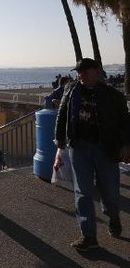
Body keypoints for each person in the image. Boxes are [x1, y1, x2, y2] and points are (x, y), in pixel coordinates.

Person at [54, 58, 130, 251]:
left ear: (97, 71)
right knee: (82, 191)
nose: (81, 75)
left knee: (109, 191)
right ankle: (89, 236)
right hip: (78, 147)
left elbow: (125, 122)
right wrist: (59, 139)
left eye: (85, 72)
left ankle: (113, 217)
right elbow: (62, 113)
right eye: (79, 72)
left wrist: (126, 145)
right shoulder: (71, 90)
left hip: (104, 148)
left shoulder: (112, 95)